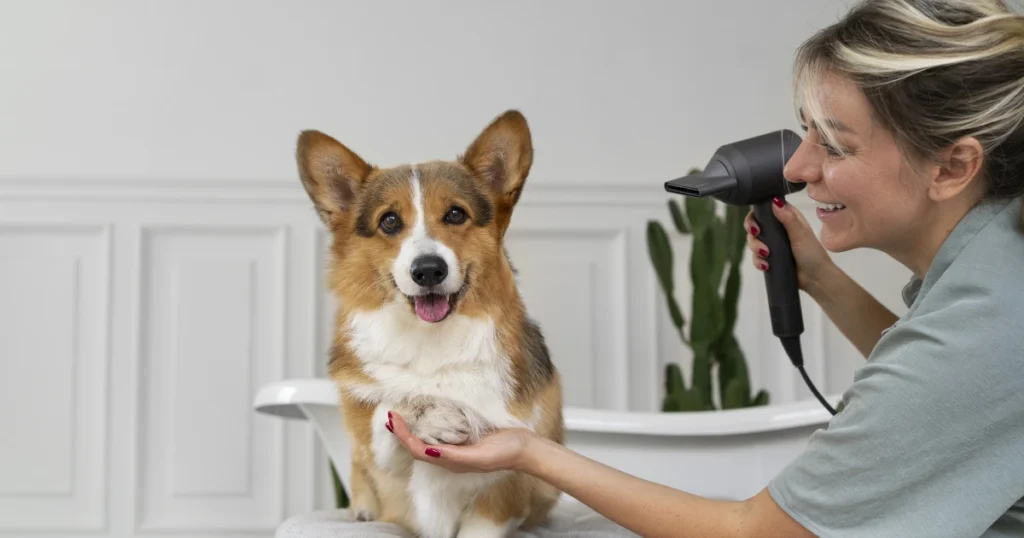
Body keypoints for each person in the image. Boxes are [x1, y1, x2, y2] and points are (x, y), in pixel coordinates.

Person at [388, 0, 1024, 535]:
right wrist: (823, 281)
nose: (799, 168)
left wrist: (529, 452)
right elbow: (936, 387)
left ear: (952, 167)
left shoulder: (986, 321)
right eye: (805, 133)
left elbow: (755, 531)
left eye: (834, 144)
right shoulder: (995, 264)